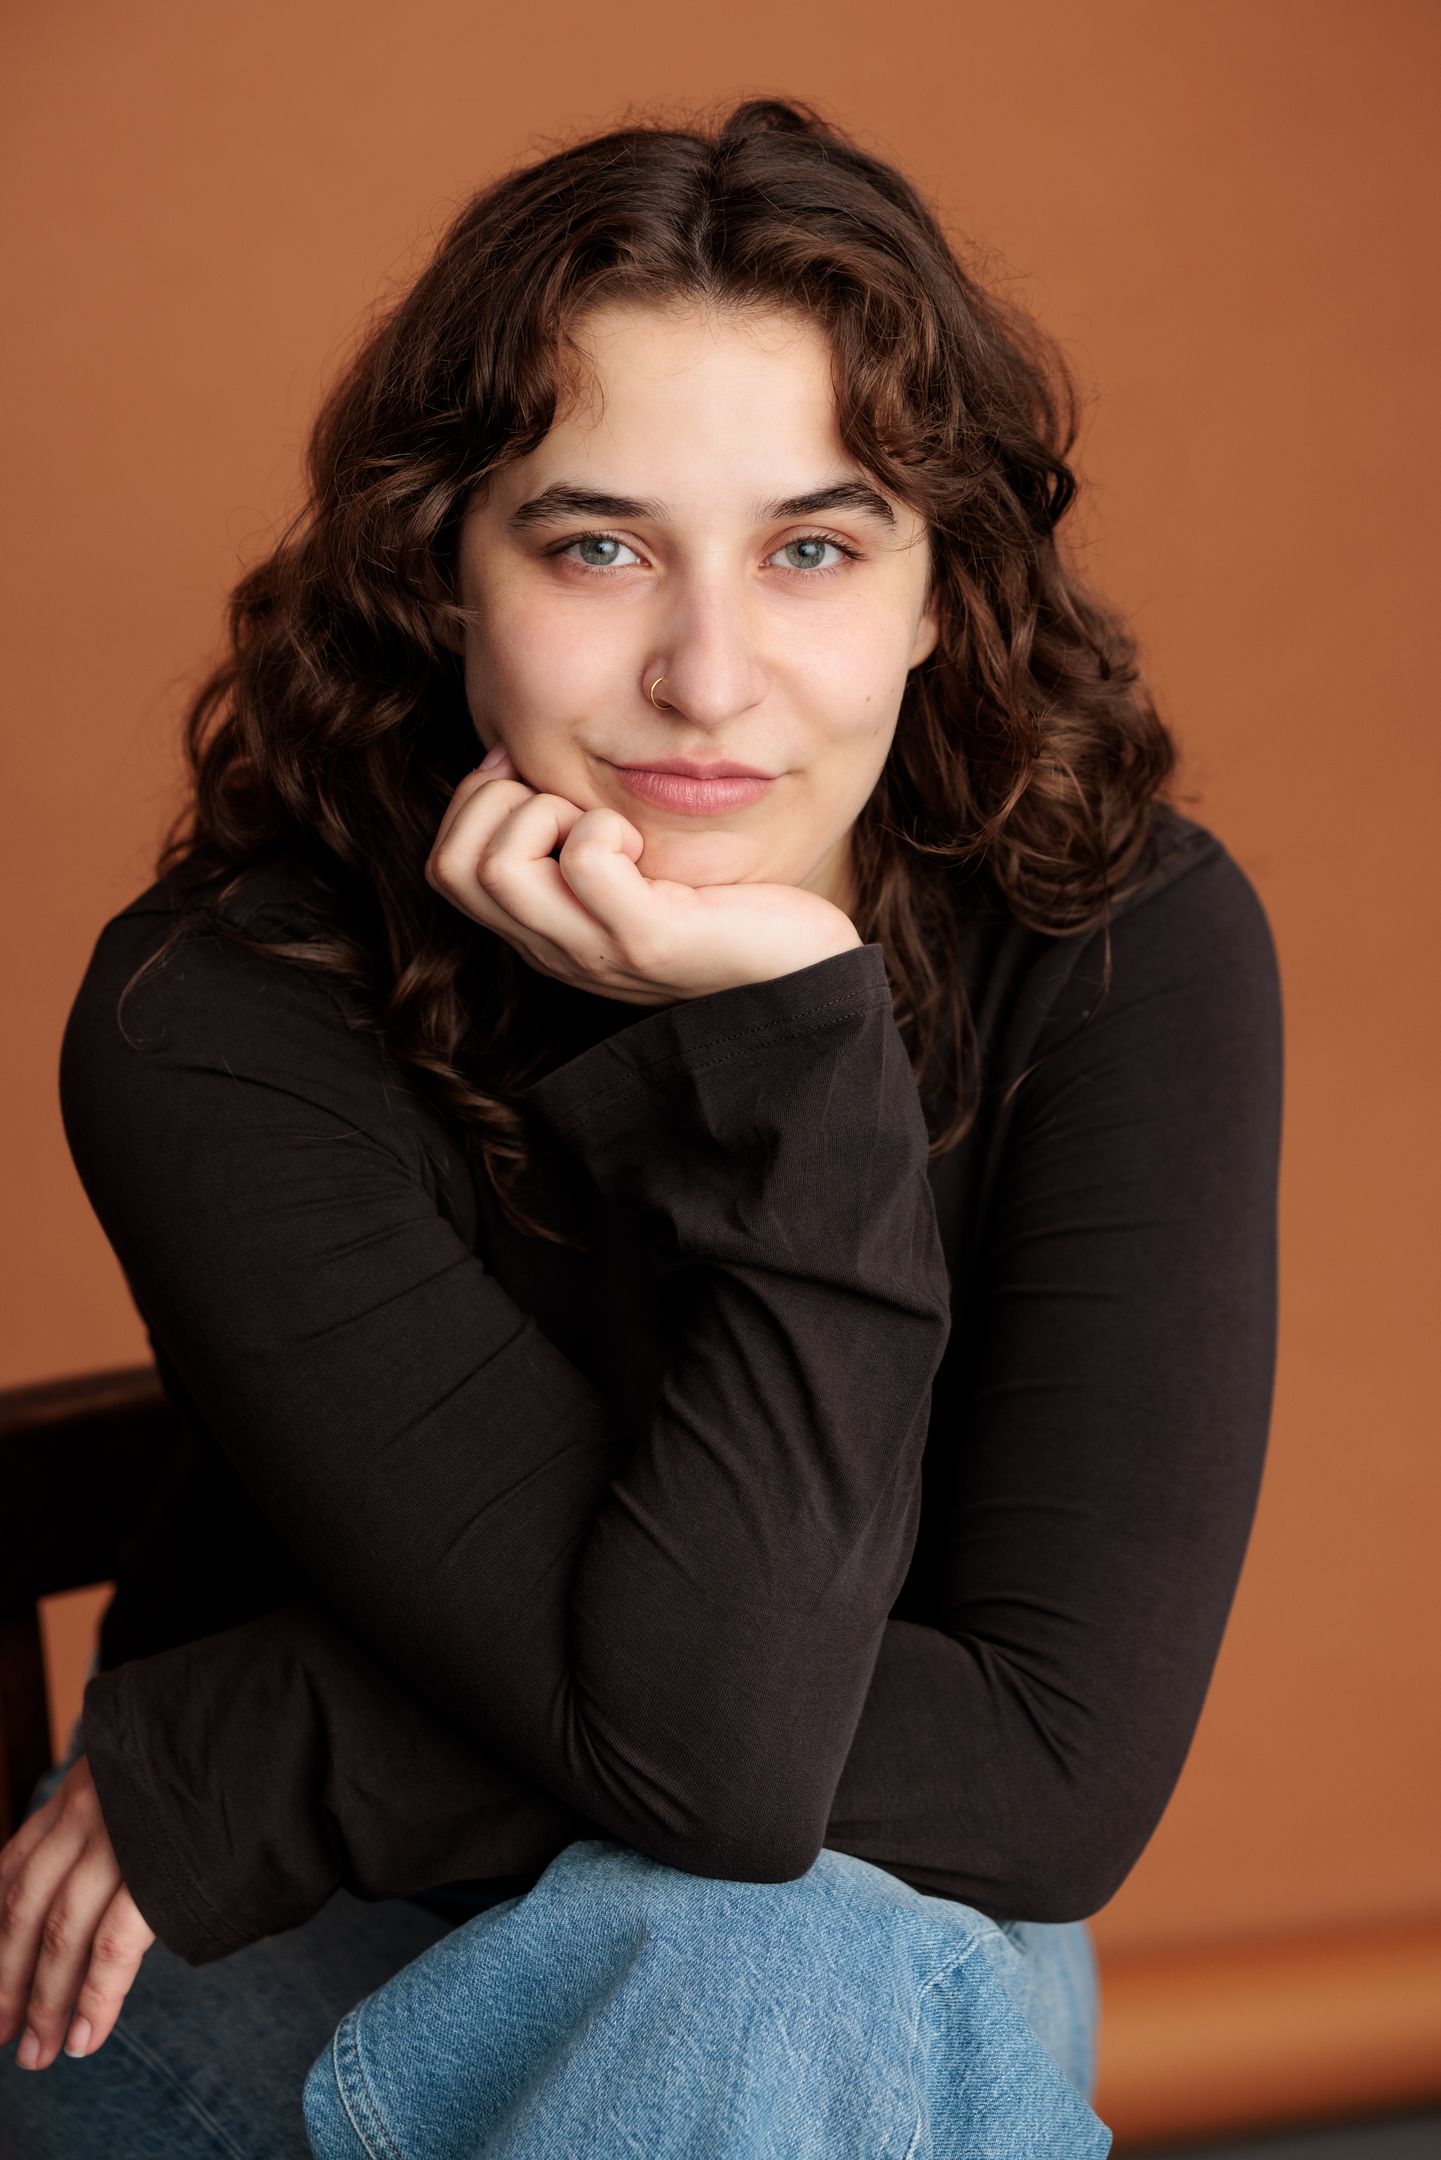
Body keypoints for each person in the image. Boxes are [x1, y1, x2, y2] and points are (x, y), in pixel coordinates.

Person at [0, 93, 1282, 2158]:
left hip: (778, 1909)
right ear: (446, 573)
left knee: (781, 1952)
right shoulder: (223, 1010)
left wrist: (295, 1740)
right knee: (793, 1959)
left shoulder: (1120, 943)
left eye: (812, 549)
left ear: (937, 589)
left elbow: (1043, 1775)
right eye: (595, 546)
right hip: (291, 1960)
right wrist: (791, 1058)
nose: (705, 674)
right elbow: (741, 1757)